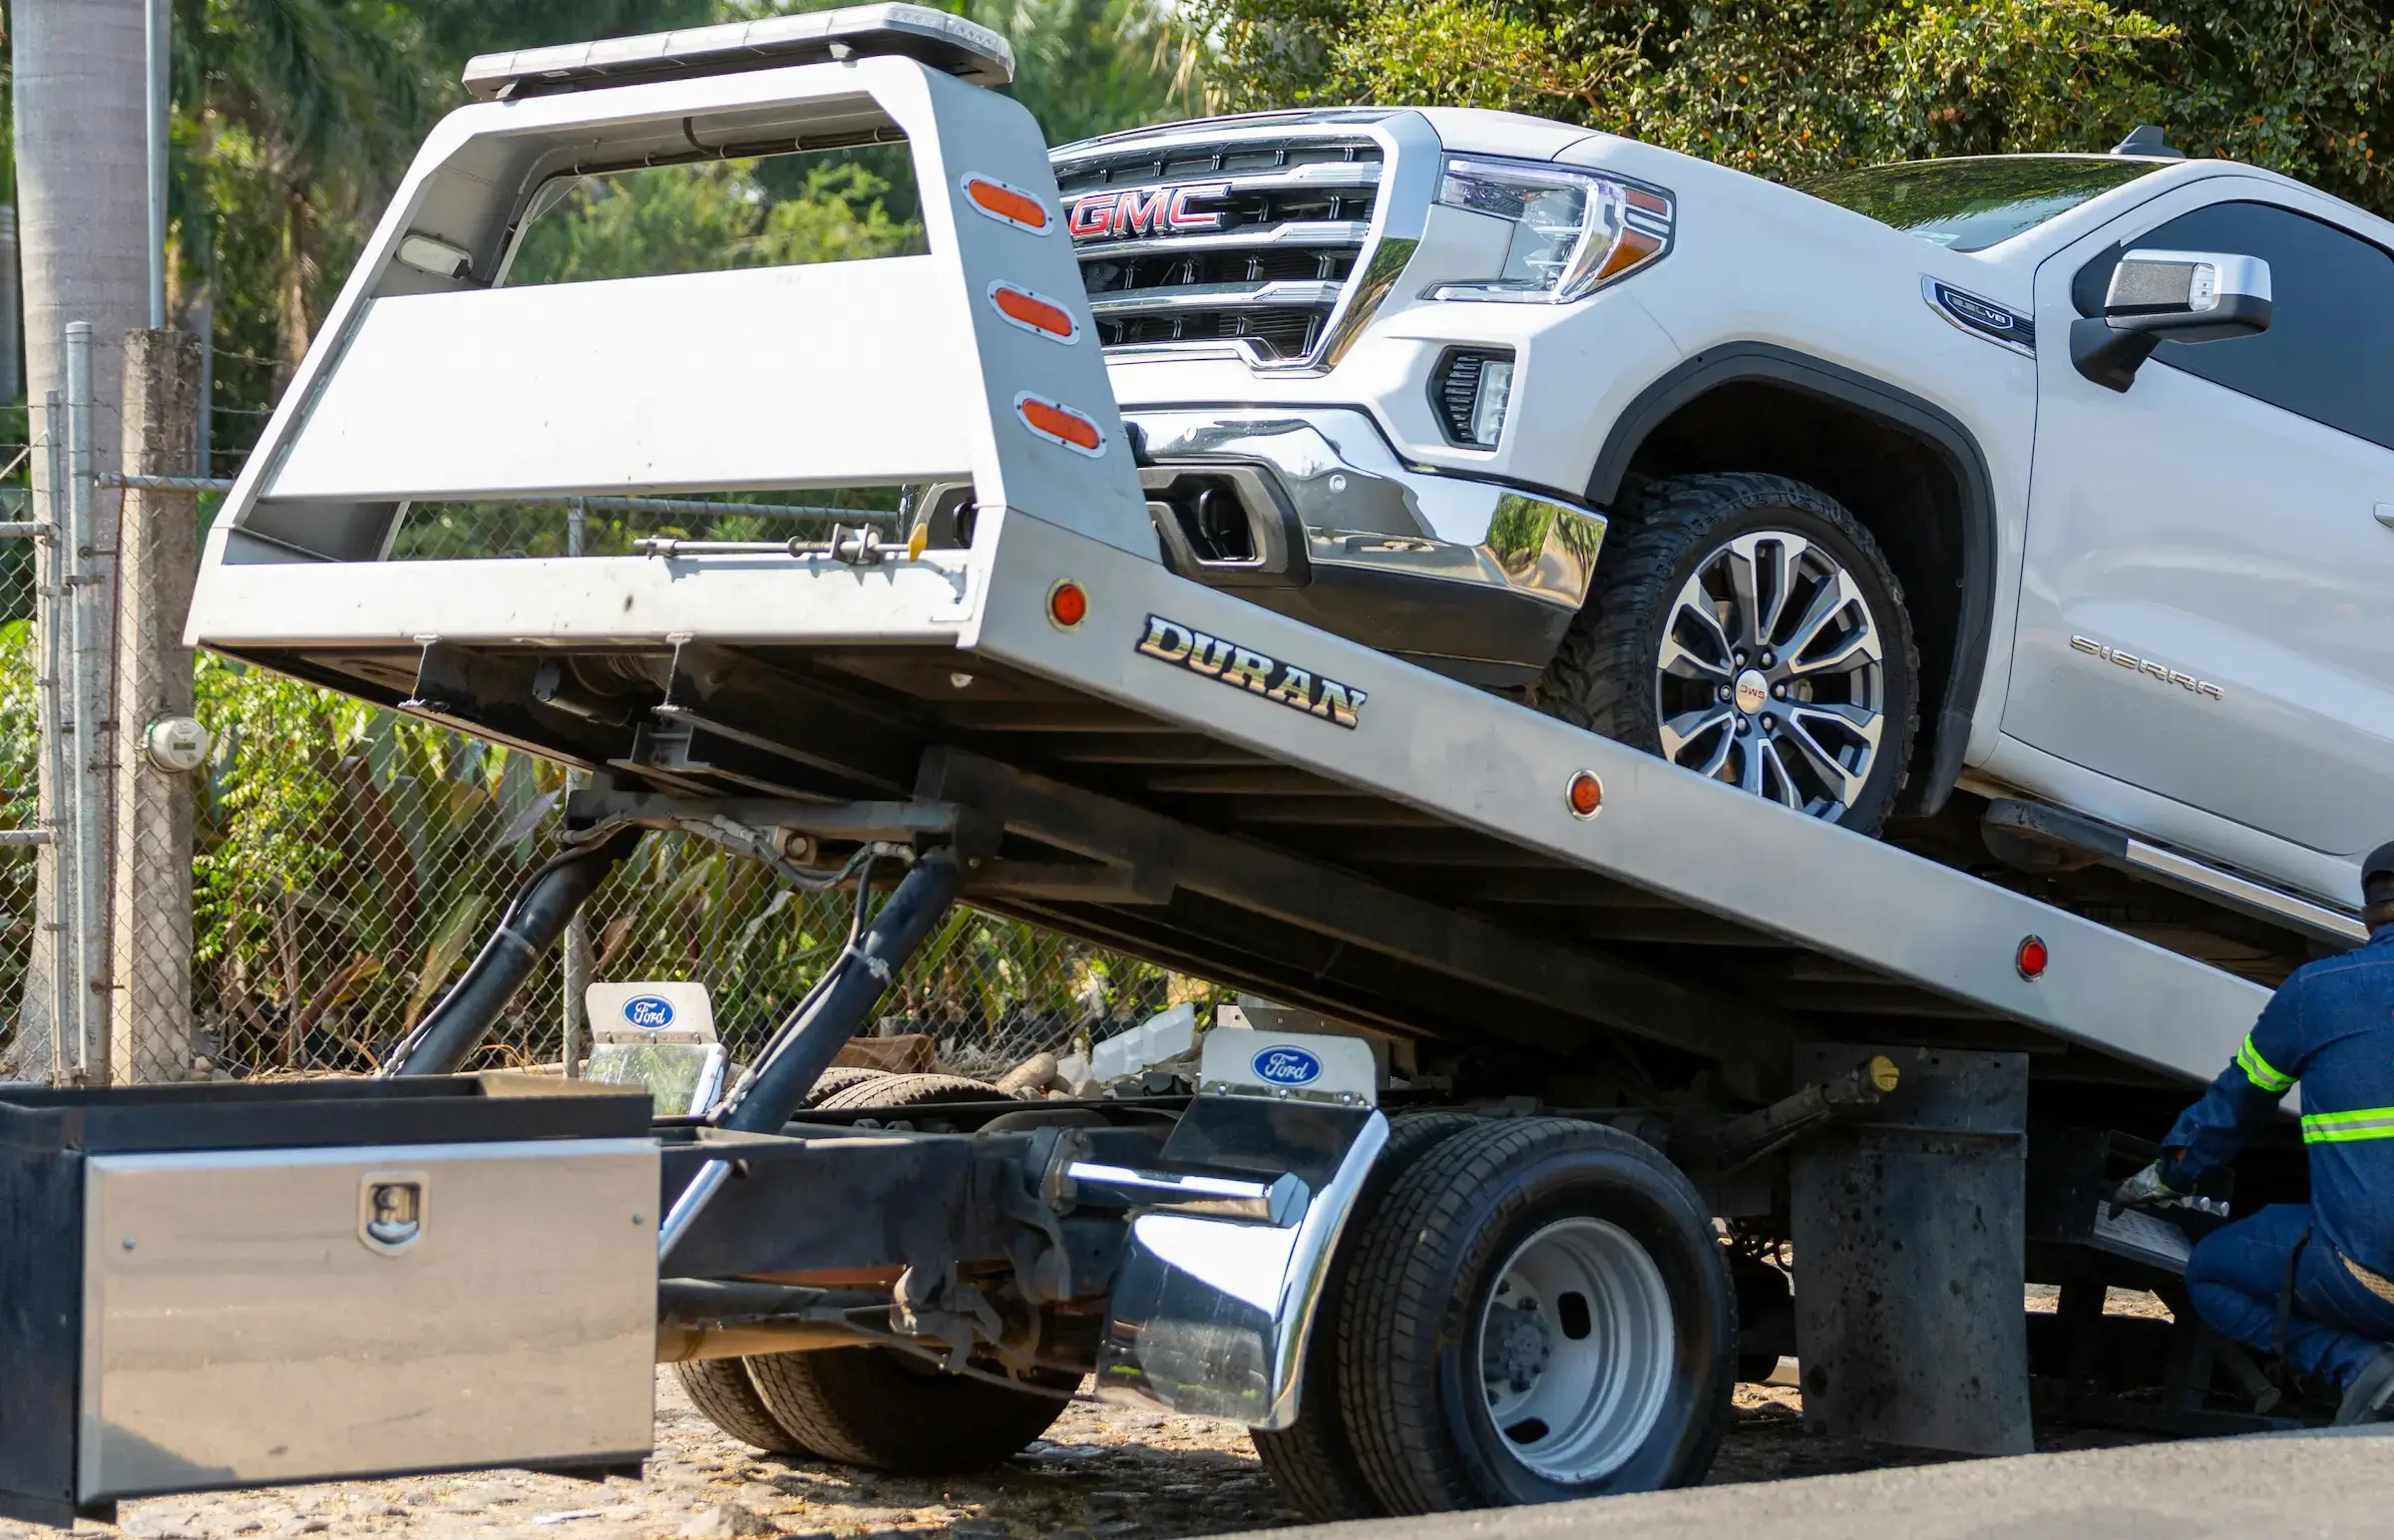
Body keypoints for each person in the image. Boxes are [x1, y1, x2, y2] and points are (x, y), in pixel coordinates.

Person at [2112, 841, 2394, 1421]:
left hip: (2365, 1281)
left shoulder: (2316, 992)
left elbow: (2234, 1106)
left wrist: (2168, 1174)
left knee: (2211, 1271)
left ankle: (2360, 1368)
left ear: (2368, 912)